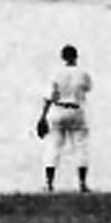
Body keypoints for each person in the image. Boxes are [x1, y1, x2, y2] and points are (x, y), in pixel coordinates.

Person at [40, 44, 93, 193]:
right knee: (80, 147)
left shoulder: (56, 73)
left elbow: (49, 97)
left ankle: (49, 183)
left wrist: (43, 117)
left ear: (62, 57)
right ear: (76, 56)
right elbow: (87, 88)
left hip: (58, 110)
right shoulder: (83, 74)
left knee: (53, 147)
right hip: (76, 110)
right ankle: (82, 183)